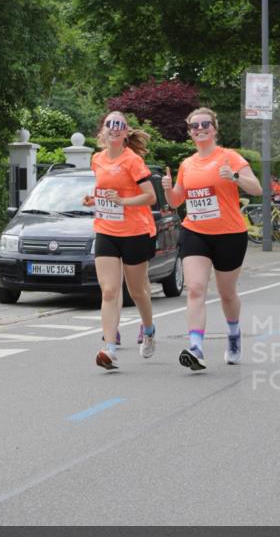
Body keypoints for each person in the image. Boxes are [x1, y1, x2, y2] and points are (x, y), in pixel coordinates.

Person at [161, 108, 262, 370]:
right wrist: (167, 190)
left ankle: (234, 335)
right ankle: (196, 347)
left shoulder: (229, 157)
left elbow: (258, 188)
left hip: (229, 234)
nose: (200, 129)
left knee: (227, 294)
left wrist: (236, 177)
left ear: (214, 128)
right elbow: (176, 201)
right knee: (195, 288)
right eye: (195, 126)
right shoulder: (187, 164)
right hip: (195, 232)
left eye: (205, 124)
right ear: (190, 132)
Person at [82, 111, 157, 370]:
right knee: (110, 290)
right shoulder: (96, 159)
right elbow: (105, 189)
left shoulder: (133, 161)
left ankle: (148, 329)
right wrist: (94, 199)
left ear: (126, 133)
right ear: (102, 131)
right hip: (106, 229)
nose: (114, 129)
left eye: (119, 126)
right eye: (109, 125)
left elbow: (150, 197)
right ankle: (109, 348)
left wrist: (123, 201)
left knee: (137, 291)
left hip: (135, 231)